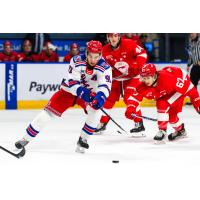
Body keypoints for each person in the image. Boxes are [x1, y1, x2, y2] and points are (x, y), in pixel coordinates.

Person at [15, 40, 112, 153]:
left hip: (89, 95)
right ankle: (25, 139)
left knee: (97, 112)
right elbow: (72, 82)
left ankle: (83, 139)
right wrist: (84, 92)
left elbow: (105, 86)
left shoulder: (105, 67)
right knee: (47, 114)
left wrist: (100, 97)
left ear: (100, 55)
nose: (93, 60)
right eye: (90, 56)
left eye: (96, 57)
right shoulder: (76, 60)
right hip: (68, 92)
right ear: (86, 53)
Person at [125, 63, 200, 143]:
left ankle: (162, 131)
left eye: (148, 78)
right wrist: (130, 108)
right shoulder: (142, 86)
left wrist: (198, 104)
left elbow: (190, 88)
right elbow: (134, 98)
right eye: (143, 78)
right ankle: (181, 131)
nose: (145, 81)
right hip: (167, 91)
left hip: (180, 80)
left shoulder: (168, 79)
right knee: (171, 116)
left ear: (154, 76)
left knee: (162, 104)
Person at [95, 33, 147, 137]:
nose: (113, 39)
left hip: (132, 77)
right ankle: (102, 123)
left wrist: (137, 64)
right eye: (111, 36)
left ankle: (139, 124)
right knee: (108, 99)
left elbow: (142, 54)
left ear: (119, 37)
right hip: (116, 79)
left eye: (115, 36)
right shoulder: (104, 51)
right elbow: (101, 66)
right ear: (107, 38)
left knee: (130, 98)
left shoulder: (129, 44)